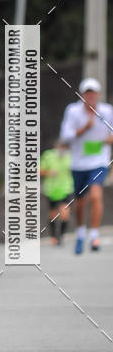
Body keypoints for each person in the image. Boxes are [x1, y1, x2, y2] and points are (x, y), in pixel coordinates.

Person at [59, 78, 113, 254]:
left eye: (93, 93)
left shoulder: (107, 111)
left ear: (98, 95)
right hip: (78, 163)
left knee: (96, 195)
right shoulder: (73, 111)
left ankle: (95, 235)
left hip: (99, 161)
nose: (90, 96)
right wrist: (85, 128)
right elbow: (65, 137)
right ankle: (81, 232)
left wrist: (105, 140)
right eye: (87, 93)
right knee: (80, 203)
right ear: (82, 95)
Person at [39, 142, 73, 244]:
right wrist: (49, 173)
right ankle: (53, 236)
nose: (62, 150)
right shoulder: (48, 155)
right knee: (53, 214)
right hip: (51, 189)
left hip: (66, 188)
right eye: (60, 147)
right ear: (56, 147)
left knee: (65, 212)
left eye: (64, 147)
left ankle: (61, 236)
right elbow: (38, 170)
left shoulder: (71, 156)